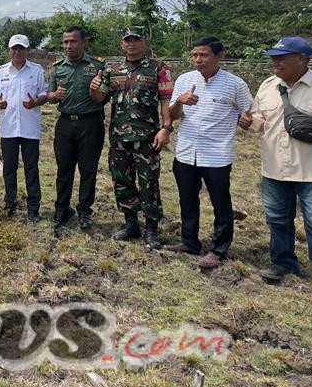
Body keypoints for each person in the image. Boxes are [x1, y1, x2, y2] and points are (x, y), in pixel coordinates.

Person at [247, 36, 312, 297]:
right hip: (274, 168)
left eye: (281, 58)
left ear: (302, 59)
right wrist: (248, 122)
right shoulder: (267, 86)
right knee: (277, 220)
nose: (275, 62)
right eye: (273, 57)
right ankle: (283, 264)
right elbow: (260, 121)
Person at [164, 37, 253, 269]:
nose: (197, 60)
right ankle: (189, 241)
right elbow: (172, 115)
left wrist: (246, 120)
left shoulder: (235, 85)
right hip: (186, 151)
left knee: (220, 202)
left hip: (217, 154)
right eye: (194, 55)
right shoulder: (185, 80)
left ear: (219, 56)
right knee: (187, 199)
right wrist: (181, 101)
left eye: (203, 55)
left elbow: (250, 114)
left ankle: (219, 249)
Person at [101, 26, 174, 250]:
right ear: (122, 43)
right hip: (118, 136)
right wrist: (95, 87)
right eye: (127, 40)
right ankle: (130, 223)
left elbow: (165, 101)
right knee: (122, 180)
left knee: (149, 182)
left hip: (147, 137)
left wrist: (166, 128)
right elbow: (100, 97)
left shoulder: (159, 68)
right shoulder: (112, 69)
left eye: (136, 39)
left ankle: (151, 229)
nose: (131, 43)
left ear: (146, 41)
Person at [44, 26, 109, 233]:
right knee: (64, 170)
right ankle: (62, 209)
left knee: (88, 170)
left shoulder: (97, 66)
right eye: (65, 42)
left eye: (73, 41)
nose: (68, 46)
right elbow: (51, 95)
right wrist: (53, 96)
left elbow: (105, 96)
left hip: (91, 123)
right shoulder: (57, 67)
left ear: (83, 43)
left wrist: (97, 90)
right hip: (65, 124)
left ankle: (84, 211)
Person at [0, 34, 48, 221]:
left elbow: (45, 93)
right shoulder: (1, 72)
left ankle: (33, 208)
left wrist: (36, 102)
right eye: (14, 48)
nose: (17, 52)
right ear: (9, 51)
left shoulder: (36, 71)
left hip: (30, 129)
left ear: (28, 50)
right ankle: (10, 203)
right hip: (9, 128)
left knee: (31, 168)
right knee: (9, 169)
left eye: (21, 48)